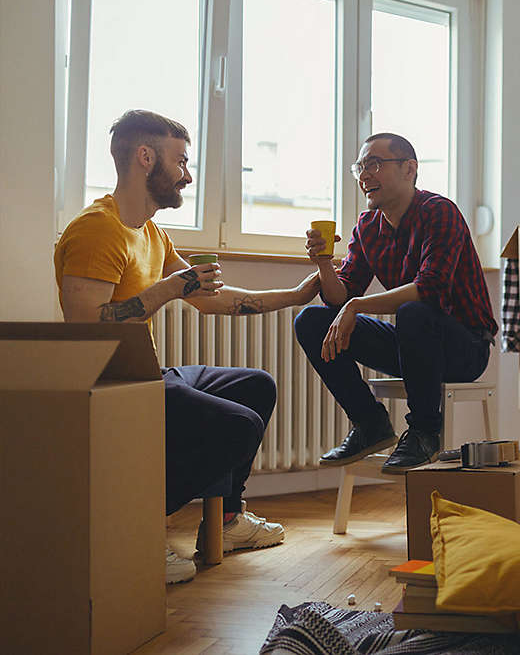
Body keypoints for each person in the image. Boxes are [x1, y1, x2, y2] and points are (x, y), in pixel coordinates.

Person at [54, 110, 321, 584]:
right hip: (109, 386)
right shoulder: (96, 230)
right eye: (180, 161)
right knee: (240, 425)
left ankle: (228, 521)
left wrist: (299, 295)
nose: (188, 174)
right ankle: (128, 532)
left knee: (255, 386)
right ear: (145, 157)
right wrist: (168, 289)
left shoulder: (152, 233)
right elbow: (85, 329)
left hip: (149, 375)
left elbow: (212, 299)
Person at [294, 133, 497, 474]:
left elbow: (429, 288)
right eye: (360, 166)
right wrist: (325, 263)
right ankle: (370, 423)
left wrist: (355, 307)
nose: (364, 176)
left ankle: (423, 432)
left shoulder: (438, 211)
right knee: (312, 320)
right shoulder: (367, 226)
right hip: (413, 347)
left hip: (465, 347)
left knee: (414, 311)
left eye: (374, 164)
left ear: (409, 169)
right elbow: (340, 296)